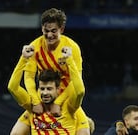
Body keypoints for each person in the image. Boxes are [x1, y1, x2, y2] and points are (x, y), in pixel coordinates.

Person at [10, 7, 91, 135]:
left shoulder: (72, 48)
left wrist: (59, 103)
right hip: (43, 99)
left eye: (53, 31)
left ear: (61, 29)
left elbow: (77, 84)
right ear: (42, 28)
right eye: (46, 31)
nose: (49, 35)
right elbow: (29, 77)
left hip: (68, 101)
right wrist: (36, 101)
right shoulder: (35, 46)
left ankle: (85, 121)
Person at [8, 45, 86, 134]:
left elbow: (80, 92)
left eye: (49, 89)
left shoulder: (68, 106)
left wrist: (69, 60)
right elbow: (12, 88)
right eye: (42, 89)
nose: (45, 93)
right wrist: (24, 58)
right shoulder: (32, 106)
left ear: (58, 89)